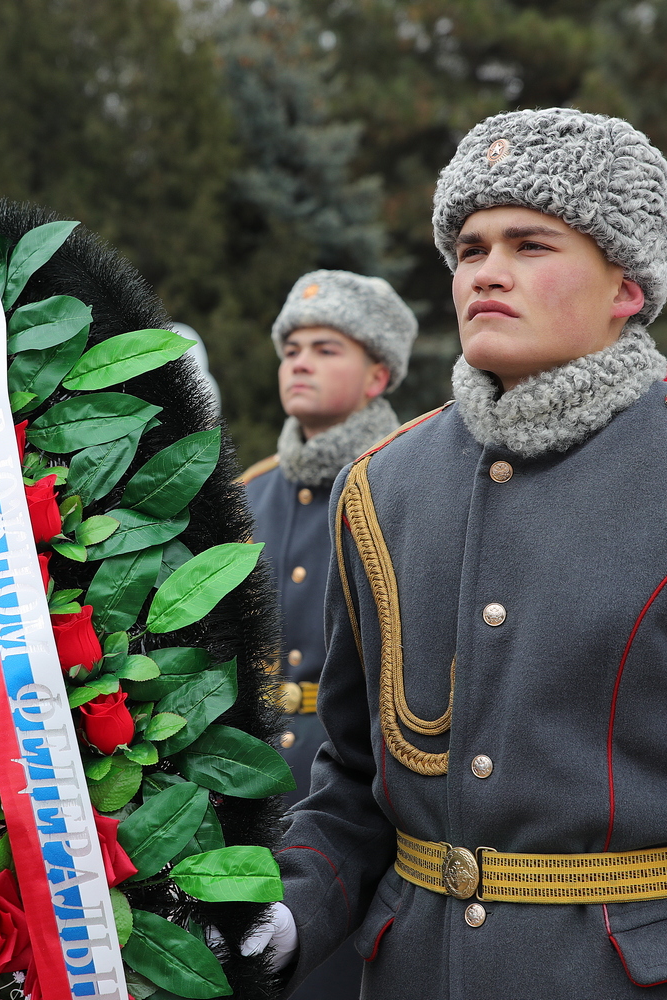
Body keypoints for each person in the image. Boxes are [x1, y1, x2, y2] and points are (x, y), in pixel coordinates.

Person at [254, 109, 667, 997]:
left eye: (531, 245)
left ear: (627, 286)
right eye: (471, 248)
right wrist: (284, 916)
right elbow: (355, 786)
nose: (488, 273)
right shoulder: (382, 486)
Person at [239, 270, 415, 1000]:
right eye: (291, 349)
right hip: (253, 786)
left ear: (378, 374)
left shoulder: (403, 484)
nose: (300, 362)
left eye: (326, 348)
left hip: (365, 790)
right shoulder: (247, 493)